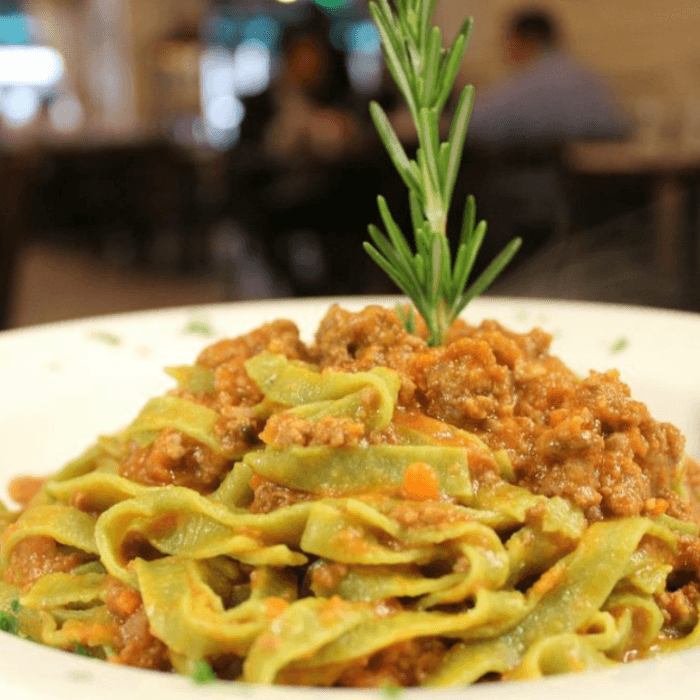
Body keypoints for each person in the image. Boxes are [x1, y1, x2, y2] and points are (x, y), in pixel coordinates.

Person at [467, 8, 632, 149]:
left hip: (526, 180)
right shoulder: (591, 81)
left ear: (523, 41)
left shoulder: (524, 85)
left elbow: (470, 125)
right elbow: (622, 125)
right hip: (592, 182)